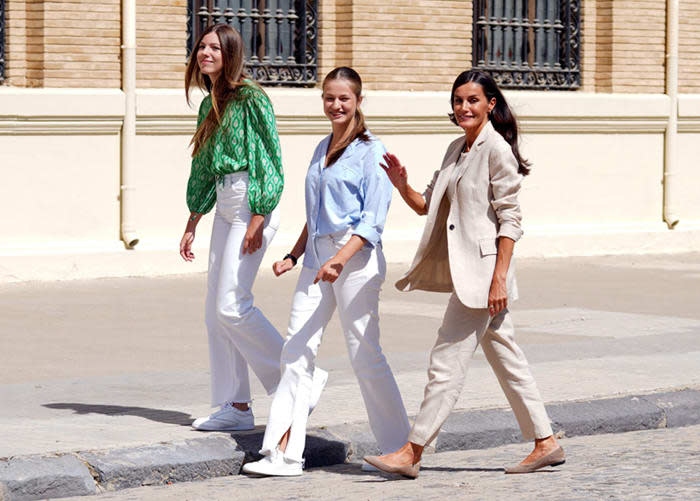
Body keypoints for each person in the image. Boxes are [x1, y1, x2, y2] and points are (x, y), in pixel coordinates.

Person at [363, 70, 565, 477]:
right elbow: (428, 205)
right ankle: (546, 442)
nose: (464, 108)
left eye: (473, 100)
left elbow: (511, 219)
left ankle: (412, 451)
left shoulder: (497, 149)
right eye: (458, 101)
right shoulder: (456, 148)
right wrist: (401, 185)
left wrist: (498, 279)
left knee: (446, 361)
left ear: (491, 103)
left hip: (483, 277)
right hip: (471, 275)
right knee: (509, 360)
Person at [242, 67, 411, 477]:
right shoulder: (322, 148)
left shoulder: (373, 151)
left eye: (344, 99)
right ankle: (283, 453)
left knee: (364, 353)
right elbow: (315, 215)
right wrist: (295, 255)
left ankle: (400, 447)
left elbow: (373, 221)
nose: (336, 105)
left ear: (358, 101)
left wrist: (341, 258)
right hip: (318, 258)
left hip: (356, 260)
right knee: (295, 348)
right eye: (329, 98)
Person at [180, 23, 326, 432]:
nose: (205, 53)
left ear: (230, 54)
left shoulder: (251, 98)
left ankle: (299, 380)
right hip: (225, 205)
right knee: (215, 312)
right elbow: (203, 166)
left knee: (232, 304)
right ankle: (236, 406)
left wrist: (259, 217)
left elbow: (269, 159)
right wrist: (193, 219)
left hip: (251, 203)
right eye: (201, 47)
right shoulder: (209, 105)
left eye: (213, 47)